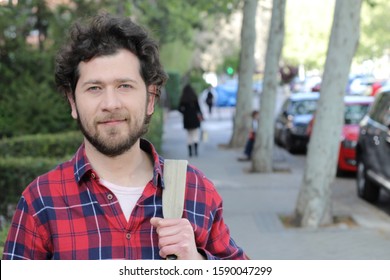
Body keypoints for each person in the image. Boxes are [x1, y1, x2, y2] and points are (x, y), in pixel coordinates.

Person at [2, 13, 248, 260]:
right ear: (73, 102)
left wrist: (199, 264)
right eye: (94, 88)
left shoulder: (197, 191)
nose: (110, 103)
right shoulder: (41, 202)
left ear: (150, 99)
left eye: (125, 86)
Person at [178, 84, 203, 157]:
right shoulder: (194, 98)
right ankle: (196, 151)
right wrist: (201, 116)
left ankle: (190, 153)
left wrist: (184, 112)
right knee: (195, 134)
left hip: (187, 119)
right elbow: (198, 109)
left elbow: (179, 108)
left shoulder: (183, 98)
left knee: (189, 135)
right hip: (195, 118)